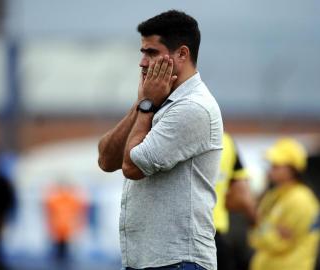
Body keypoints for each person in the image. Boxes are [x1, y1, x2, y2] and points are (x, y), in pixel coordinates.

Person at [98, 10, 223, 270]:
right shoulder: (157, 102)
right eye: (142, 52)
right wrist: (143, 101)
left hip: (179, 262)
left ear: (182, 54)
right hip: (150, 261)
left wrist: (147, 104)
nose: (142, 62)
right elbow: (106, 159)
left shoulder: (194, 107)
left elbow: (132, 167)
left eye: (152, 52)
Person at [228, 138, 320, 270]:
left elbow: (279, 243)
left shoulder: (301, 200)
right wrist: (267, 230)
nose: (271, 169)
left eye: (276, 166)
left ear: (292, 169)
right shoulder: (273, 195)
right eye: (271, 165)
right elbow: (256, 232)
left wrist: (261, 228)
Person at [214, 133, 254, 270]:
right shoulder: (227, 141)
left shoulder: (171, 130)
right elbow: (242, 195)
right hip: (215, 234)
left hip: (176, 236)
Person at [43, 182, 87, 266]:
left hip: (63, 227)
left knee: (62, 249)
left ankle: (61, 262)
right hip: (62, 227)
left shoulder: (58, 199)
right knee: (61, 249)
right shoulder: (66, 199)